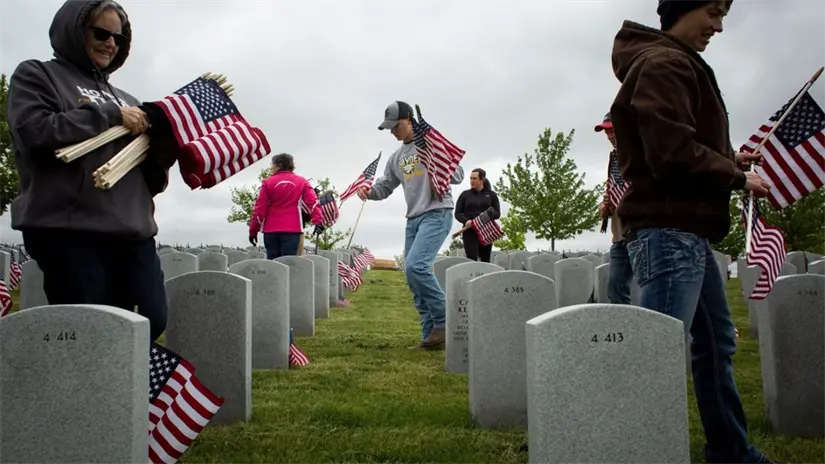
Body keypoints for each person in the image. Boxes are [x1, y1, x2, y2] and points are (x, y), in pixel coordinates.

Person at [610, 2, 784, 464]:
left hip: (685, 229)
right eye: (713, 11)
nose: (718, 26)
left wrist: (728, 157)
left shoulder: (669, 60)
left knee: (716, 342)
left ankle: (731, 452)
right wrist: (735, 176)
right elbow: (670, 152)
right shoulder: (664, 63)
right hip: (669, 230)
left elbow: (673, 141)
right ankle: (630, 452)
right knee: (656, 356)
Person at [6, 0, 178, 341]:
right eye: (101, 33)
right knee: (90, 336)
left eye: (118, 37)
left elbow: (149, 181)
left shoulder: (128, 98)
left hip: (133, 231)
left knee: (152, 319)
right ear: (75, 30)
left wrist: (162, 150)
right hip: (69, 230)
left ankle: (116, 376)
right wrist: (109, 115)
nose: (111, 43)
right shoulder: (38, 75)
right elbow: (33, 132)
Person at [357, 101, 465, 349]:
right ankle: (430, 335)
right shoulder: (396, 158)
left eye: (395, 126)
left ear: (408, 119)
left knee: (417, 266)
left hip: (437, 212)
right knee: (411, 275)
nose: (392, 132)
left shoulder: (430, 144)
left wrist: (436, 158)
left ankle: (445, 320)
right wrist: (369, 192)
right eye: (389, 128)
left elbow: (458, 175)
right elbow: (385, 186)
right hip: (413, 218)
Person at [249, 153, 323, 260]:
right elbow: (313, 202)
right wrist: (318, 221)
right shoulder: (301, 181)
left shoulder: (267, 182)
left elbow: (259, 209)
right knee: (289, 263)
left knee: (273, 264)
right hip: (293, 229)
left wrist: (253, 230)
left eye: (272, 164)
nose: (271, 167)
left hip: (271, 230)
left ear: (279, 165)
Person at [595, 113, 633, 304]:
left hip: (638, 234)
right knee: (615, 289)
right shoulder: (615, 158)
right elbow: (612, 189)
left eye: (613, 130)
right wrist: (605, 204)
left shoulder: (636, 154)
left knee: (651, 292)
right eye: (607, 132)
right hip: (619, 236)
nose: (610, 136)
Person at [454, 168, 501, 262]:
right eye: (471, 178)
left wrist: (485, 216)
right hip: (470, 230)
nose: (472, 181)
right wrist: (466, 220)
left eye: (474, 178)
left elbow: (497, 213)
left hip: (486, 230)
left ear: (482, 179)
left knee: (485, 260)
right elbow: (457, 213)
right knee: (471, 258)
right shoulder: (465, 195)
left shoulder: (491, 195)